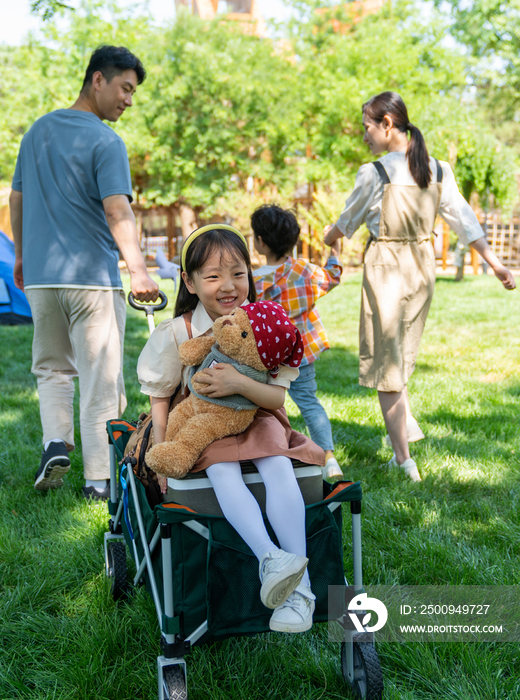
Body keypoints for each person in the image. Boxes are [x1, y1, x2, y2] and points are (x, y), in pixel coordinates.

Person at [137, 224, 326, 633]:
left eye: (238, 273)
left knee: (276, 465)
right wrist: (162, 452)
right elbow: (160, 400)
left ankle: (301, 591)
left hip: (257, 416)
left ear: (250, 274)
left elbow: (276, 399)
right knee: (222, 469)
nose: (229, 286)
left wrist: (239, 383)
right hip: (206, 423)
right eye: (213, 275)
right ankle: (269, 558)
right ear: (188, 280)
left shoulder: (267, 322)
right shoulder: (179, 332)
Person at [324, 91, 516, 482]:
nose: (365, 137)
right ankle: (405, 426)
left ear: (387, 125)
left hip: (388, 270)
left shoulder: (374, 173)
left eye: (367, 128)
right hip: (423, 269)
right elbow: (465, 221)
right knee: (402, 354)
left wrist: (328, 238)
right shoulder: (437, 170)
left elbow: (344, 225)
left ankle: (403, 459)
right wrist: (495, 264)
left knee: (388, 366)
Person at [10, 45, 159, 499]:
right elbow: (117, 209)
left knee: (52, 369)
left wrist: (19, 256)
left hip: (40, 278)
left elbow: (16, 199)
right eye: (125, 88)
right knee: (100, 379)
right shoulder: (106, 141)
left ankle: (56, 442)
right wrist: (138, 270)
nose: (129, 100)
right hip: (91, 280)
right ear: (98, 79)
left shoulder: (37, 132)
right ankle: (98, 482)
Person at [251, 204, 344, 482]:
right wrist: (335, 249)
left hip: (265, 358)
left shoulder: (252, 281)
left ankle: (267, 452)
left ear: (260, 242)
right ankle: (328, 458)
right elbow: (333, 277)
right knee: (309, 403)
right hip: (299, 355)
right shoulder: (305, 271)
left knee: (263, 408)